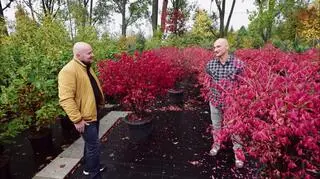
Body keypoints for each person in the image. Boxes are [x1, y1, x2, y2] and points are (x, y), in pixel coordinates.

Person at [58, 42, 105, 178]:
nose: (92, 55)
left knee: (91, 143)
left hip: (93, 112)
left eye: (92, 52)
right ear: (78, 55)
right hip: (84, 117)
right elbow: (66, 98)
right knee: (94, 145)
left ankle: (89, 166)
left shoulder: (86, 66)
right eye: (89, 53)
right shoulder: (68, 71)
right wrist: (77, 119)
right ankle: (93, 174)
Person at [205, 38, 245, 168]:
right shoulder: (210, 65)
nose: (215, 49)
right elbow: (209, 82)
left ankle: (238, 153)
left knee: (235, 129)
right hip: (215, 101)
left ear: (227, 47)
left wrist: (237, 100)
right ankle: (216, 145)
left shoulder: (238, 64)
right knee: (216, 126)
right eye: (214, 47)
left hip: (231, 103)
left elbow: (243, 85)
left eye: (218, 46)